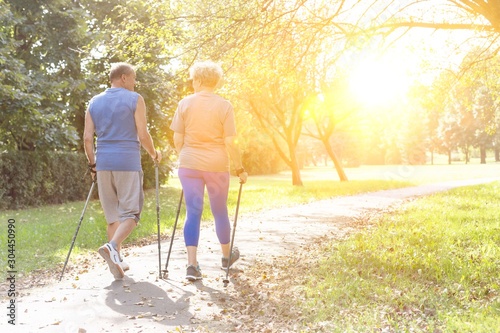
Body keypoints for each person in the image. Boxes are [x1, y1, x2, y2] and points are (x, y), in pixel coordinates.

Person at [169, 60, 248, 281]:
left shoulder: (184, 103)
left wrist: (185, 157)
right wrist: (240, 168)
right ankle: (226, 258)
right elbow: (230, 142)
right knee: (219, 211)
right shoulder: (225, 106)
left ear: (200, 80)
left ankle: (192, 265)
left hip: (189, 165)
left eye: (193, 79)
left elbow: (178, 138)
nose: (192, 83)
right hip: (217, 166)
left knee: (193, 211)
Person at [83, 62, 162, 280]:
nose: (135, 84)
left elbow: (88, 138)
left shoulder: (94, 102)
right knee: (132, 214)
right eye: (134, 79)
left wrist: (93, 165)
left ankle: (116, 262)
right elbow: (143, 134)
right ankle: (112, 246)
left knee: (113, 217)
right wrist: (154, 154)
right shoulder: (134, 99)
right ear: (124, 78)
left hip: (104, 163)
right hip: (127, 161)